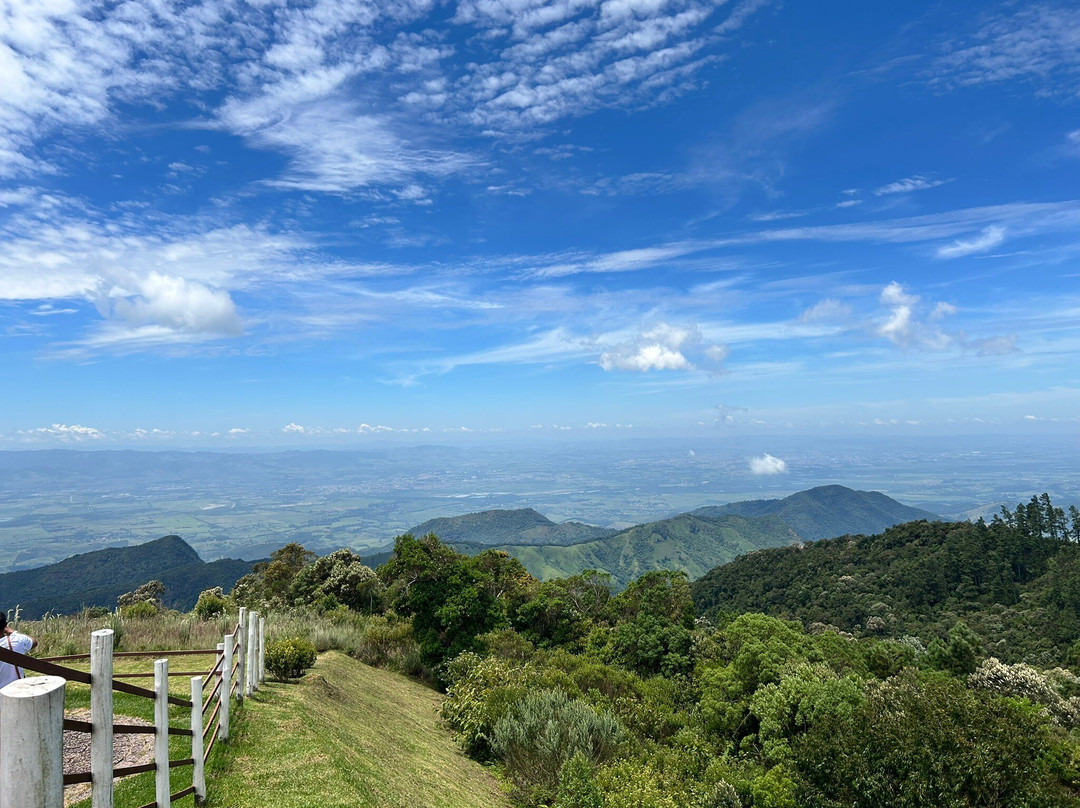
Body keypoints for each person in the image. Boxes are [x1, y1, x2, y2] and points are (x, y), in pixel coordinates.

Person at [0, 613, 36, 689]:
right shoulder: (17, 640)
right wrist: (11, 631)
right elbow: (34, 642)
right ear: (5, 625)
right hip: (17, 693)